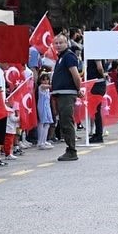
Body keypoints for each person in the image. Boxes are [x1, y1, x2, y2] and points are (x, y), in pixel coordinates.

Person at [50, 33, 84, 161]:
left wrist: (77, 89)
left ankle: (71, 150)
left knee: (67, 121)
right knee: (64, 122)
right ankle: (70, 148)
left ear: (67, 43)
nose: (58, 45)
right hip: (60, 93)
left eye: (61, 43)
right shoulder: (60, 58)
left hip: (67, 93)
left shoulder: (68, 56)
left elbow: (76, 75)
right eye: (56, 43)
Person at [86, 56, 107, 142]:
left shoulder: (95, 53)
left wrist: (103, 76)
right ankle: (98, 133)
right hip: (96, 84)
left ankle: (99, 134)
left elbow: (100, 67)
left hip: (96, 84)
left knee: (96, 111)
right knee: (96, 110)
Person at [36, 73, 54, 148]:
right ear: (40, 81)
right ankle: (41, 142)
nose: (46, 81)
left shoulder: (47, 89)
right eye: (44, 79)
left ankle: (43, 140)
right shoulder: (41, 87)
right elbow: (50, 86)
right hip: (42, 106)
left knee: (45, 124)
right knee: (44, 123)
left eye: (47, 79)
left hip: (47, 107)